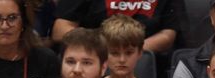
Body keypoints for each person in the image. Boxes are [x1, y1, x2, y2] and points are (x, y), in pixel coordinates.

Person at [50, 0, 183, 54]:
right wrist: (100, 47)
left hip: (142, 59)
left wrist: (130, 51)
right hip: (93, 54)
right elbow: (60, 29)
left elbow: (168, 33)